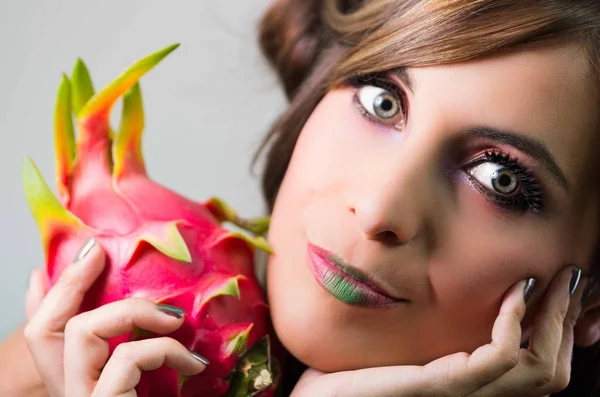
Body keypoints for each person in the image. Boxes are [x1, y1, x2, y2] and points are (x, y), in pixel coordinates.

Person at [1, 0, 600, 396]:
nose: (377, 209)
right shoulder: (74, 356)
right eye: (382, 102)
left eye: (499, 177)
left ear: (592, 298)